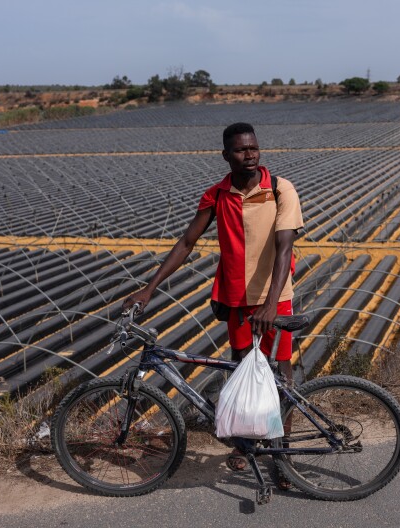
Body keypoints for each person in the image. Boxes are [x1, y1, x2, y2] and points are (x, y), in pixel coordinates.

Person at [122, 122, 303, 489]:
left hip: (275, 300)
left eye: (253, 148)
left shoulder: (280, 189)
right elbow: (187, 242)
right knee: (240, 370)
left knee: (281, 374)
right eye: (240, 150)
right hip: (237, 300)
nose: (249, 155)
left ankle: (282, 454)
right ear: (226, 155)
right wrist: (149, 288)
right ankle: (244, 441)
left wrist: (270, 303)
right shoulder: (217, 195)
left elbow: (285, 248)